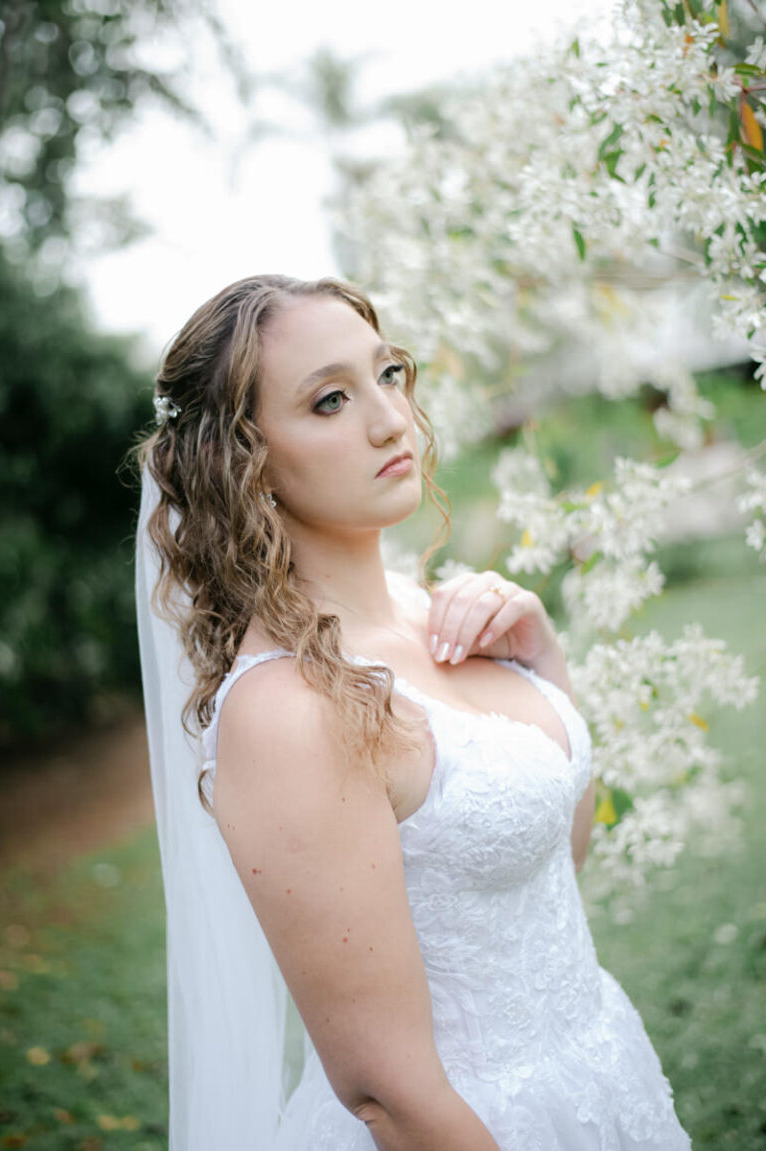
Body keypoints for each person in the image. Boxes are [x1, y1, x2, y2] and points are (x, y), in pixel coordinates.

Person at [135, 274, 693, 1150]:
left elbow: (551, 870)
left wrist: (542, 657)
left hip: (595, 1073)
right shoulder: (291, 708)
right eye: (329, 400)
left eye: (387, 373)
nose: (392, 419)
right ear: (244, 462)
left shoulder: (433, 611)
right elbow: (388, 1094)